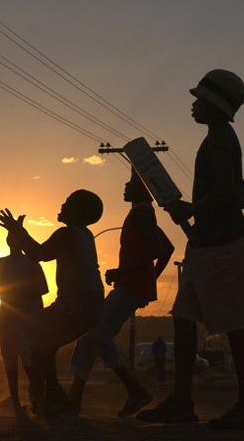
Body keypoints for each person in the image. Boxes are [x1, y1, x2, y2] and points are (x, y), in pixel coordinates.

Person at [137, 69, 244, 429]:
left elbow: (228, 192)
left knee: (234, 325)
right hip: (206, 245)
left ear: (214, 104)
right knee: (183, 319)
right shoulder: (219, 137)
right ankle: (182, 403)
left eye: (199, 99)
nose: (193, 105)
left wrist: (190, 209)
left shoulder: (221, 137)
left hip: (223, 247)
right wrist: (197, 210)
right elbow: (242, 195)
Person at [66, 173, 173, 417]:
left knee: (98, 334)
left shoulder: (142, 212)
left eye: (132, 183)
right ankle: (74, 398)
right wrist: (150, 281)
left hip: (130, 285)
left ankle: (135, 391)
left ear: (143, 189)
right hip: (133, 284)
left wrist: (125, 272)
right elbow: (166, 248)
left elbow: (157, 249)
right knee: (88, 339)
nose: (125, 186)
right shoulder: (142, 212)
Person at [0, 189, 104, 418]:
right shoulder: (84, 234)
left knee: (38, 334)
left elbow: (37, 254)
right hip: (91, 302)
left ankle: (40, 394)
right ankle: (51, 394)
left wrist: (18, 231)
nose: (62, 204)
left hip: (77, 302)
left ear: (78, 212)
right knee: (45, 340)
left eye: (68, 203)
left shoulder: (67, 233)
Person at [0, 234, 49, 414]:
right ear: (9, 242)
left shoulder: (32, 262)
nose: (15, 242)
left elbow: (41, 290)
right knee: (9, 361)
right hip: (6, 319)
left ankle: (37, 397)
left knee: (27, 358)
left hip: (26, 320)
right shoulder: (0, 263)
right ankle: (17, 400)